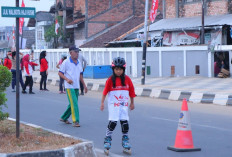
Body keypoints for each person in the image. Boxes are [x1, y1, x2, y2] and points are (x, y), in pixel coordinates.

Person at [100, 57, 136, 153]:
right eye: (116, 69)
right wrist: (102, 103)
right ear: (113, 69)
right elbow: (105, 92)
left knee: (125, 123)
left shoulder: (127, 80)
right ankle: (108, 139)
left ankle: (125, 141)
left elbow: (132, 92)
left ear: (123, 70)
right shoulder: (110, 80)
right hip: (113, 106)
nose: (118, 71)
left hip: (123, 105)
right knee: (113, 123)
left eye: (120, 69)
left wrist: (132, 103)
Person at [59, 45, 88, 127]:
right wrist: (67, 79)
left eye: (78, 52)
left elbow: (80, 76)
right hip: (69, 87)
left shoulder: (79, 63)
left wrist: (84, 86)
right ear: (70, 53)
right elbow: (60, 73)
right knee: (74, 103)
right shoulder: (66, 62)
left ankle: (64, 117)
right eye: (75, 52)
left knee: (72, 103)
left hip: (76, 86)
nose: (77, 53)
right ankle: (76, 121)